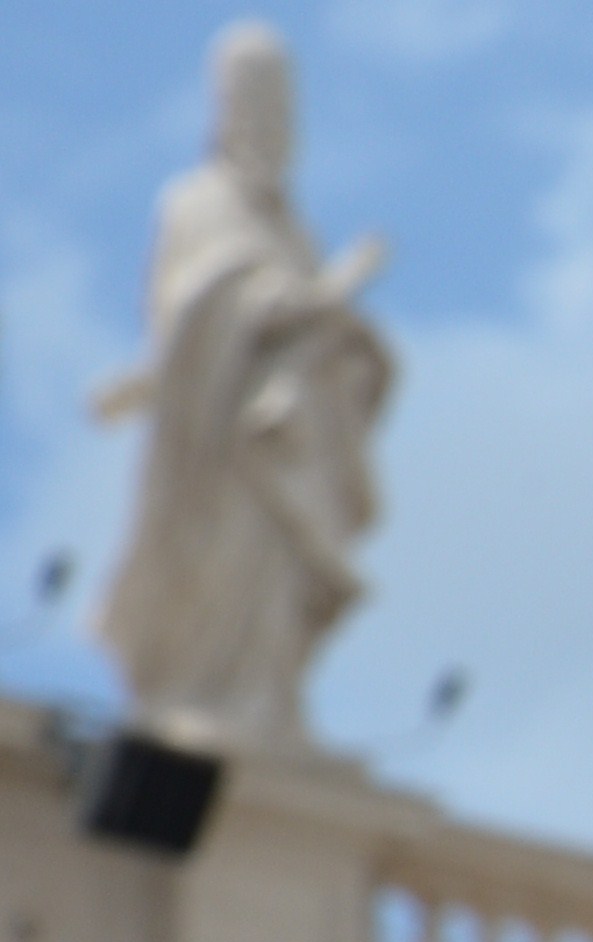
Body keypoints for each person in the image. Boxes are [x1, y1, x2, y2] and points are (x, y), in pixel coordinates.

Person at [90, 24, 396, 753]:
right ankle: (211, 694)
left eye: (277, 106)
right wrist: (318, 296)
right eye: (251, 101)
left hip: (289, 441)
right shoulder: (196, 202)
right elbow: (189, 308)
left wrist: (346, 337)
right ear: (223, 109)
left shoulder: (294, 228)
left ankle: (262, 705)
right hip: (220, 436)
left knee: (270, 580)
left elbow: (305, 324)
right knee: (222, 566)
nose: (266, 122)